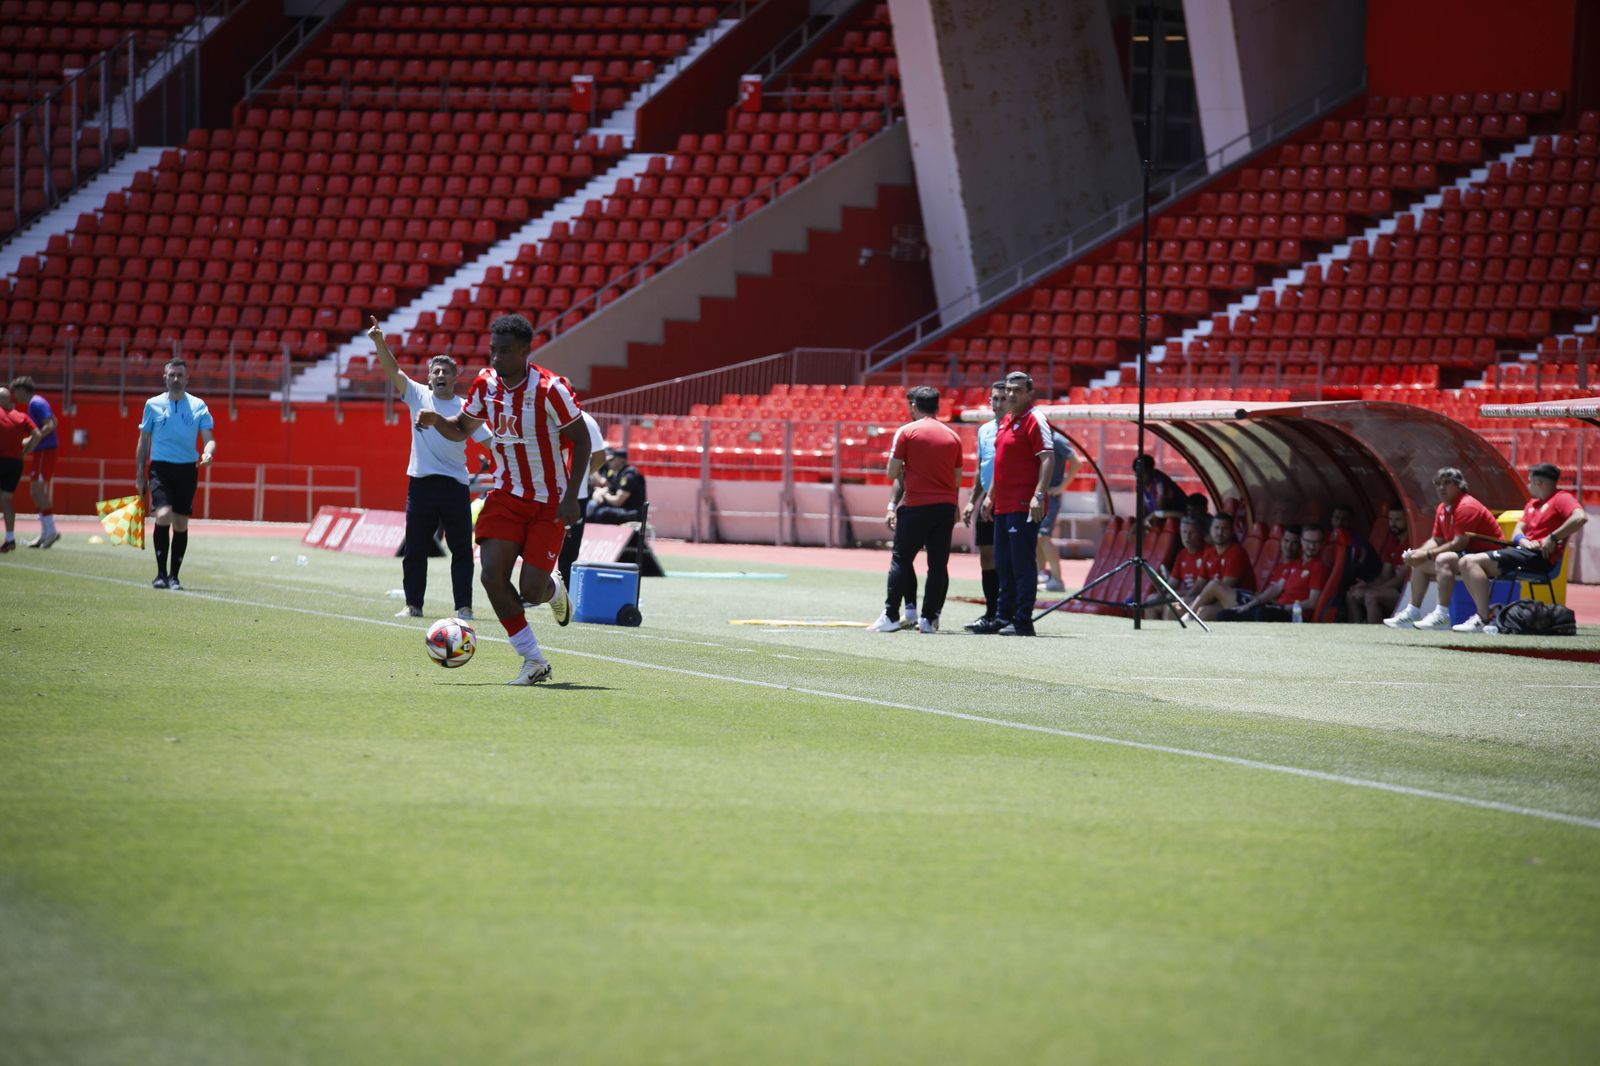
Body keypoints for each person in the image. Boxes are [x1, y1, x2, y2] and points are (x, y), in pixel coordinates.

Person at [415, 313, 590, 686]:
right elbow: (462, 430)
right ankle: (533, 661)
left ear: (525, 351)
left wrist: (572, 498)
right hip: (507, 494)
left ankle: (554, 589)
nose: (497, 358)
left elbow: (583, 439)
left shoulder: (550, 389)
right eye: (493, 350)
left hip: (549, 502)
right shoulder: (484, 384)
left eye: (505, 351)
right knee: (492, 575)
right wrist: (436, 421)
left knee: (530, 590)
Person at [368, 317, 492, 621]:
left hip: (454, 486)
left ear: (454, 378)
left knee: (462, 551)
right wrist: (378, 341)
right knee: (415, 550)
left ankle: (464, 607)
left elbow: (490, 443)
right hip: (421, 485)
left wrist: (513, 464)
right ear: (429, 377)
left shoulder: (466, 408)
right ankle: (414, 605)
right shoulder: (417, 395)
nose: (439, 375)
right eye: (435, 371)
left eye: (445, 372)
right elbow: (394, 370)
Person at [869, 385, 962, 633]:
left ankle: (891, 615)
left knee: (901, 559)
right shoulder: (953, 436)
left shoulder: (907, 432)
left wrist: (907, 468)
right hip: (944, 507)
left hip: (917, 505)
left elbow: (891, 472)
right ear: (938, 407)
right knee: (938, 565)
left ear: (914, 406)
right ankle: (928, 619)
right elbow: (957, 478)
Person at [1452, 462, 1587, 633]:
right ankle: (1485, 615)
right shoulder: (1532, 504)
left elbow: (1580, 517)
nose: (1528, 485)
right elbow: (1518, 529)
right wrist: (1522, 540)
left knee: (1471, 562)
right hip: (1523, 552)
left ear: (1540, 483)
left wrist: (1553, 537)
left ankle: (1483, 617)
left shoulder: (1561, 498)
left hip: (1539, 558)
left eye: (1530, 482)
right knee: (1465, 562)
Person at [974, 371, 1054, 636]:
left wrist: (1038, 495)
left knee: (1021, 563)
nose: (1011, 395)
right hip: (1003, 505)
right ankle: (1003, 617)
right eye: (1009, 389)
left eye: (1017, 390)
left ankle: (1022, 621)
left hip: (1023, 504)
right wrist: (991, 495)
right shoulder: (1007, 420)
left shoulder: (1035, 419)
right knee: (1003, 563)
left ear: (1029, 393)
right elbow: (1001, 464)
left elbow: (1047, 459)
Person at [1384, 467, 1503, 630]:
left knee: (1443, 559)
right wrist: (1418, 553)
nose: (1441, 488)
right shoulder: (1442, 507)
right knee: (1419, 562)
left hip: (1489, 557)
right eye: (1438, 484)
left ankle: (1442, 614)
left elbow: (1459, 543)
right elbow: (1437, 539)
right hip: (1467, 556)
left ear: (1459, 485)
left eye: (1447, 483)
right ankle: (1413, 611)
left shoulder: (1467, 506)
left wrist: (1426, 554)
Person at [134, 359, 216, 590]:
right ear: (165, 378)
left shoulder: (198, 405)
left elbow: (208, 438)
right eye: (172, 375)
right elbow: (144, 440)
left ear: (187, 378)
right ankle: (160, 574)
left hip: (187, 469)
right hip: (160, 468)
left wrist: (208, 453)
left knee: (180, 523)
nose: (176, 379)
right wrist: (140, 473)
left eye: (180, 375)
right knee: (163, 514)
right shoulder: (152, 405)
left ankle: (174, 577)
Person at [960, 381, 1008, 631]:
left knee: (1007, 559)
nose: (998, 404)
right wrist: (971, 501)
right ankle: (991, 612)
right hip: (986, 503)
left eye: (1003, 399)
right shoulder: (984, 431)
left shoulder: (1016, 429)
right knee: (986, 558)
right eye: (995, 399)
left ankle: (1008, 613)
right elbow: (982, 468)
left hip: (1008, 502)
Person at [1216, 524, 1328, 622]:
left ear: (1322, 544)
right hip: (1276, 608)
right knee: (1224, 615)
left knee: (1262, 613)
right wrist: (1249, 605)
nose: (1312, 546)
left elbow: (1312, 602)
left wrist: (1285, 607)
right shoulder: (1295, 564)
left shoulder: (1318, 567)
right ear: (1302, 541)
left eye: (1316, 543)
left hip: (1294, 615)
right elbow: (1276, 589)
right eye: (1308, 542)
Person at [555, 409, 609, 589]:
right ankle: (535, 589)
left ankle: (566, 591)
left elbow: (600, 456)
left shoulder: (585, 420)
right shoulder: (541, 414)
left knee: (569, 548)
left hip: (575, 495)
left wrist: (582, 476)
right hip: (544, 492)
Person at [9, 376, 59, 548]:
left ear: (23, 390)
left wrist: (33, 440)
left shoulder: (35, 403)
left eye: (16, 392)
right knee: (35, 491)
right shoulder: (38, 403)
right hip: (43, 450)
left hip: (45, 450)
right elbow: (54, 421)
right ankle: (45, 533)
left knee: (37, 490)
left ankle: (51, 531)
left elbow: (50, 425)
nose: (15, 396)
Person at [1345, 502, 1410, 623]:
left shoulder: (1412, 543)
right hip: (1390, 589)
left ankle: (1374, 634)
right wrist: (1366, 585)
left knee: (1371, 595)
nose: (1393, 523)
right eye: (1391, 519)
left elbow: (1399, 581)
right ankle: (1355, 632)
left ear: (1407, 520)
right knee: (1352, 594)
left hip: (1405, 593)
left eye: (1398, 519)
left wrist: (1372, 589)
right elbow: (1385, 575)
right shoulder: (1392, 543)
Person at [1185, 512, 1257, 621]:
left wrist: (1195, 604)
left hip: (1242, 601)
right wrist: (1186, 599)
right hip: (1214, 601)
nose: (1220, 532)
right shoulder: (1209, 552)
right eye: (1216, 528)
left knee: (1204, 610)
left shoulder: (1237, 552)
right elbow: (1199, 585)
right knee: (1176, 605)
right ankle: (1172, 634)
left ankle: (1188, 617)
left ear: (1232, 532)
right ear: (1210, 530)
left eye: (1224, 529)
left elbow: (1220, 589)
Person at [1035, 427, 1081, 593]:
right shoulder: (1039, 439)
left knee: (1043, 536)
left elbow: (1077, 462)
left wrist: (1062, 486)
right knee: (1037, 537)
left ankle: (1057, 579)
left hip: (1050, 495)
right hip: (1039, 495)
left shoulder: (1058, 440)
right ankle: (1041, 574)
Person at [0, 386, 42, 553]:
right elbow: (37, 434)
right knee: (7, 500)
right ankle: (10, 539)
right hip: (16, 463)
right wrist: (26, 449)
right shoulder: (21, 417)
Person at [586, 448, 647, 524]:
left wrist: (603, 495)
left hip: (631, 511)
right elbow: (609, 488)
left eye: (612, 460)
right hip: (622, 508)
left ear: (621, 460)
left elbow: (618, 501)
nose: (608, 462)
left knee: (602, 513)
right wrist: (599, 492)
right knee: (592, 507)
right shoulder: (617, 473)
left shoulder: (629, 475)